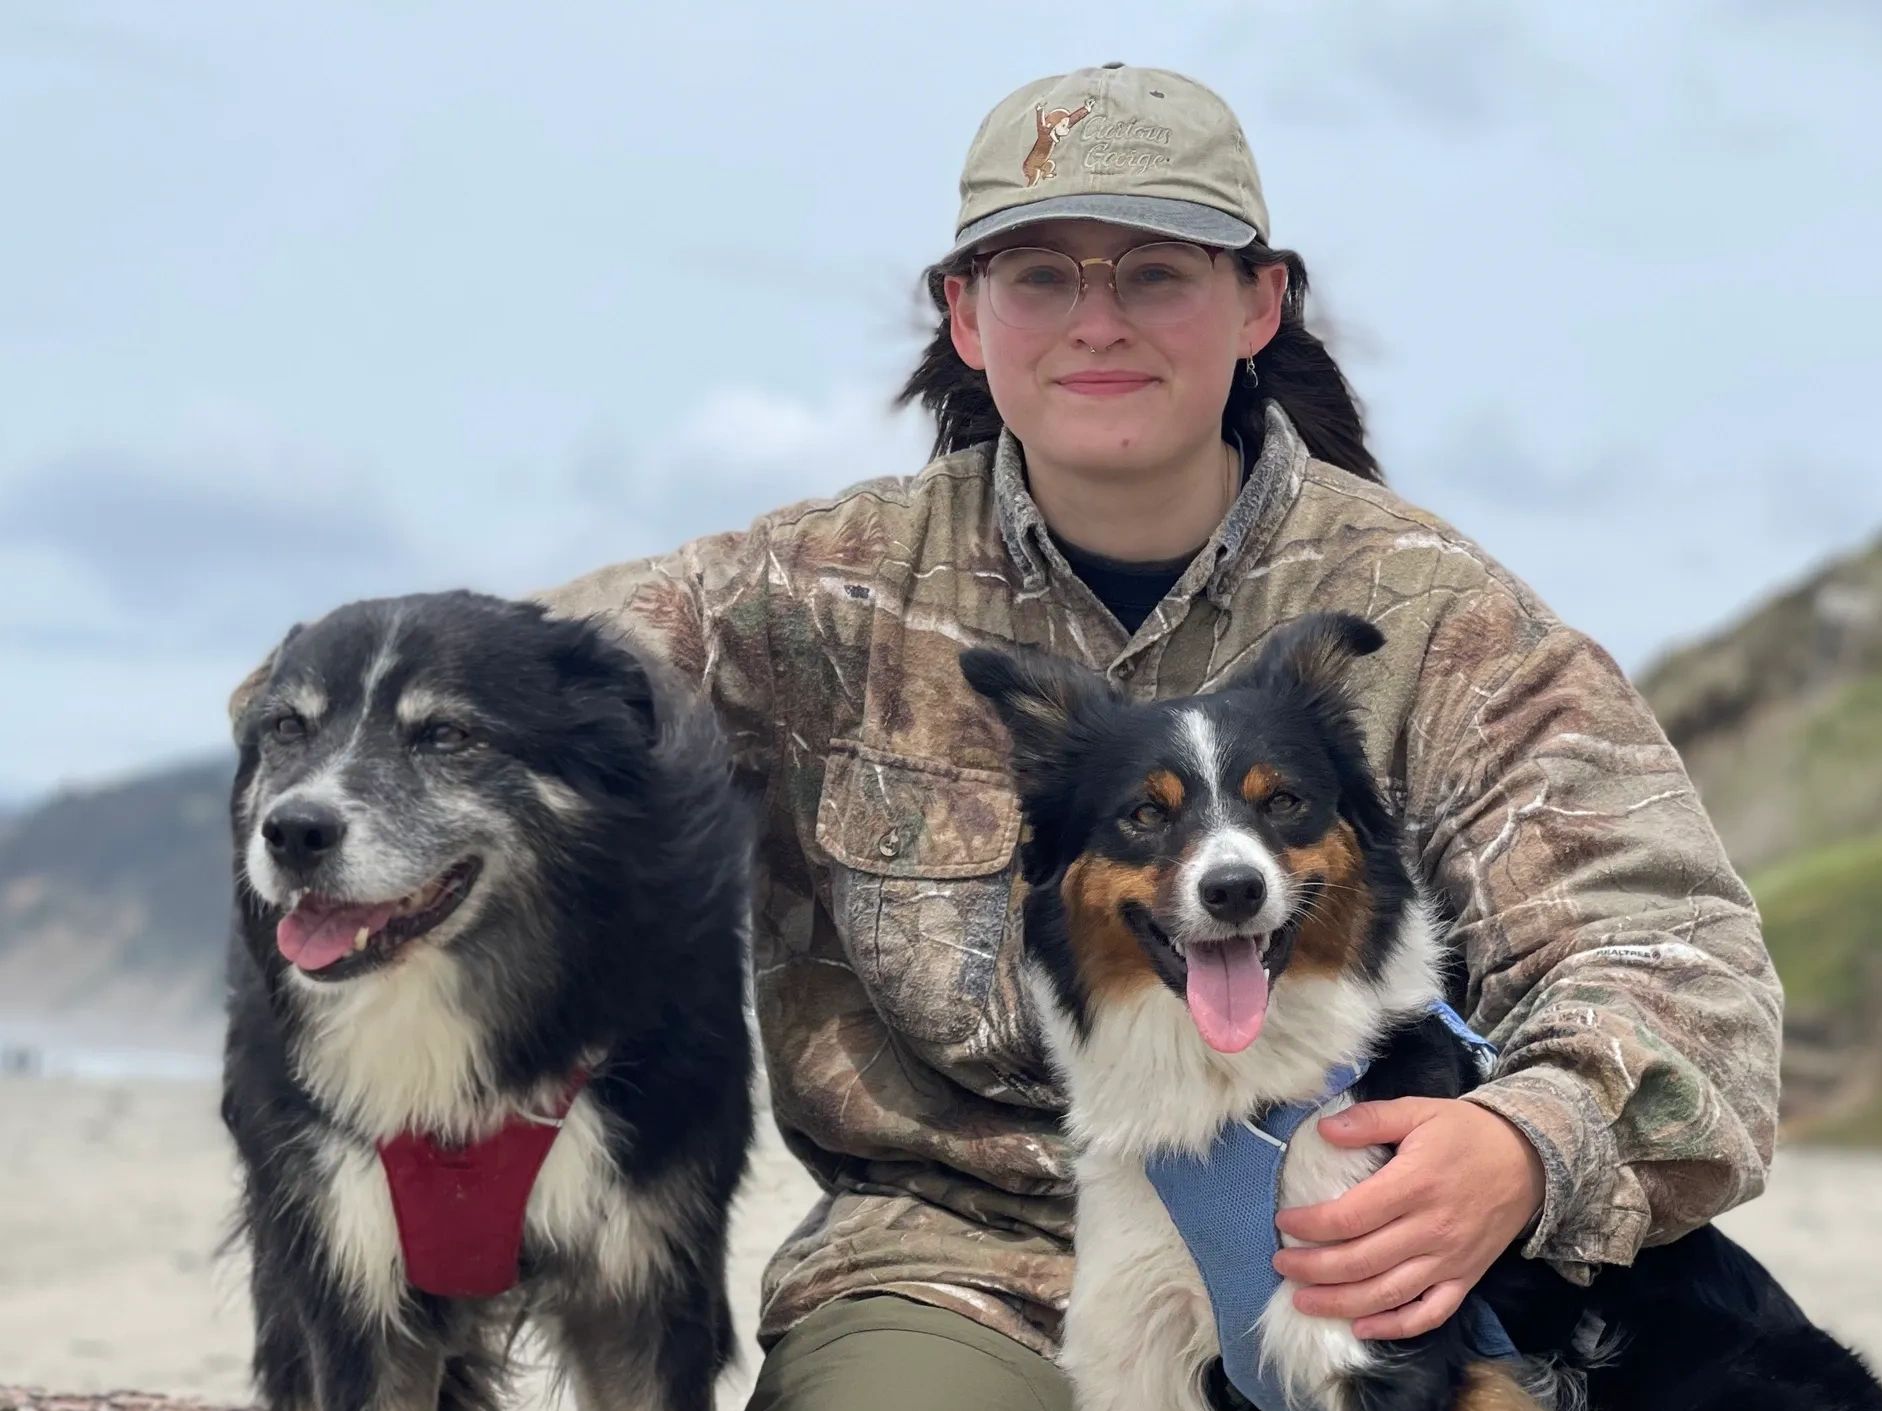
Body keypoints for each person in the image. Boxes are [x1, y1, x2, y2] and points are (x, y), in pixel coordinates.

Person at [545, 63, 1782, 1410]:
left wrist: (1524, 1148)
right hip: (965, 1264)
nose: (1096, 322)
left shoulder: (1434, 616)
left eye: (1152, 271)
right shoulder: (807, 594)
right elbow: (480, 699)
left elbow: (1674, 958)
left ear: (1258, 302)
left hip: (1347, 1236)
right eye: (1038, 277)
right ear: (963, 315)